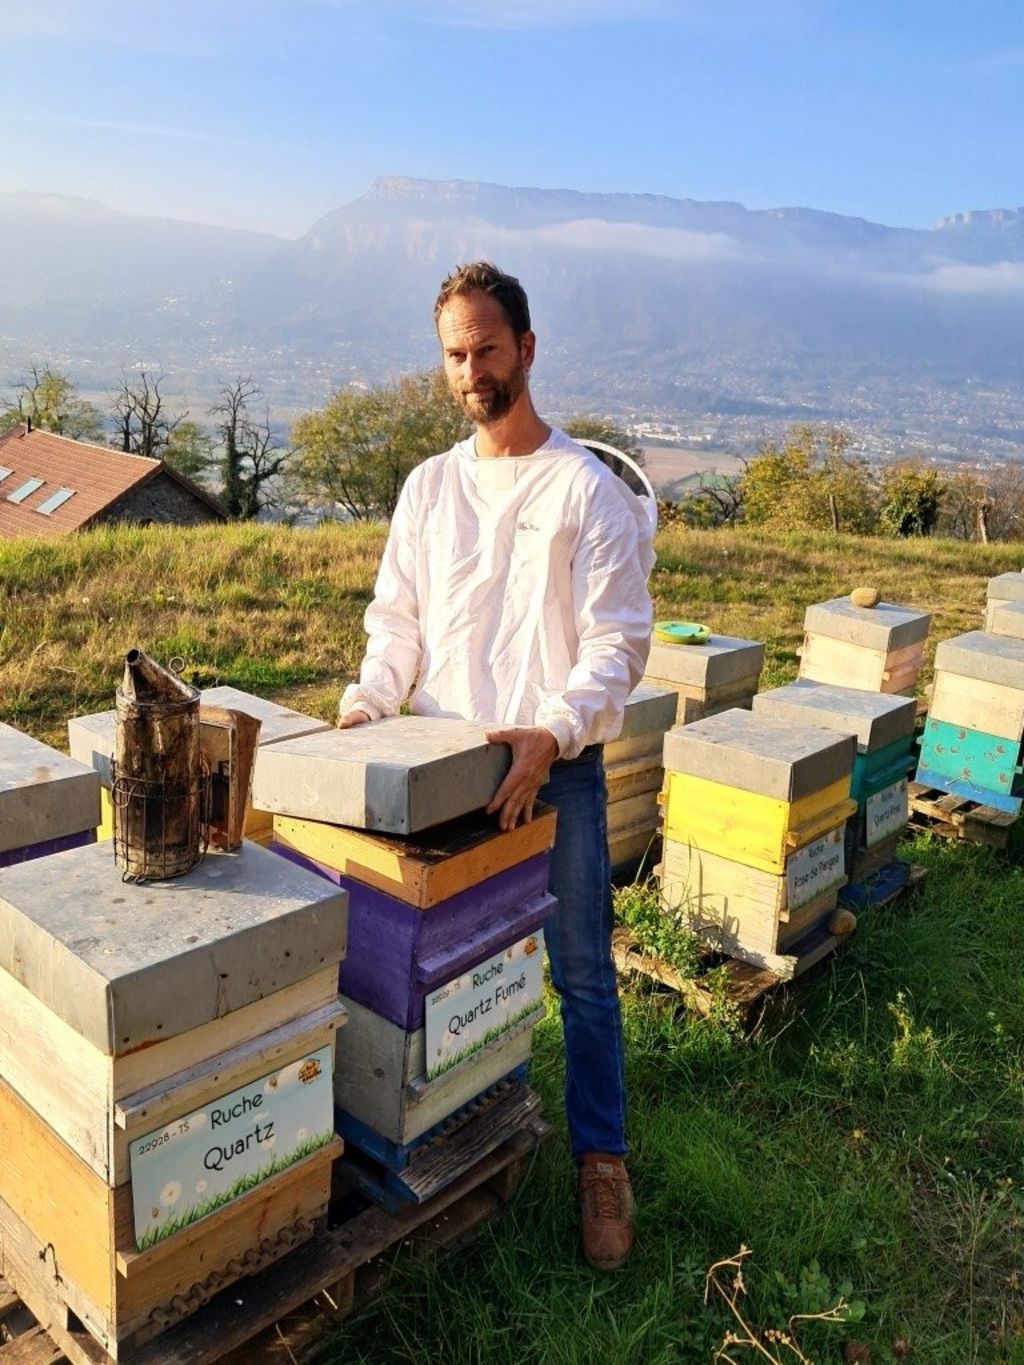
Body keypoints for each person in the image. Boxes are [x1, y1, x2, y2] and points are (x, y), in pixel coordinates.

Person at [337, 261, 654, 1269]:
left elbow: (617, 643)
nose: (471, 369)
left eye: (486, 348)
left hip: (550, 769)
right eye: (454, 354)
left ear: (526, 347)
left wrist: (552, 731)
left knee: (582, 977)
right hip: (435, 767)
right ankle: (440, 1132)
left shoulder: (586, 490)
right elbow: (398, 622)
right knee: (426, 968)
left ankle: (601, 1158)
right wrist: (367, 703)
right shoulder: (429, 487)